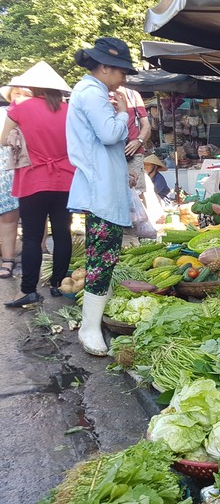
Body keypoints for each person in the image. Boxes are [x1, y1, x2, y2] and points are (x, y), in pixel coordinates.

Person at [66, 37, 138, 356]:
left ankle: (92, 324)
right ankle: (89, 329)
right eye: (121, 71)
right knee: (102, 258)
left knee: (104, 256)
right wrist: (123, 115)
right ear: (105, 67)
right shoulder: (92, 92)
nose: (124, 79)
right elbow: (110, 134)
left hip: (102, 186)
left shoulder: (88, 92)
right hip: (100, 191)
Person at [0, 61, 74, 306]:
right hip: (65, 179)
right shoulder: (69, 110)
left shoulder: (21, 108)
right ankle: (59, 283)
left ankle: (28, 291)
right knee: (62, 233)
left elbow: (3, 140)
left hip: (33, 179)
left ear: (33, 86)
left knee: (32, 237)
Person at [0, 84, 31, 279]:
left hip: (33, 168)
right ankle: (8, 260)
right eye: (16, 93)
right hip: (6, 170)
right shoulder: (3, 113)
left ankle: (41, 251)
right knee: (8, 217)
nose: (19, 96)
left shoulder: (38, 113)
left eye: (24, 93)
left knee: (36, 216)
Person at [121, 87, 151, 194]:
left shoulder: (132, 95)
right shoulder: (100, 96)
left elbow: (146, 124)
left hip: (133, 154)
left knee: (137, 193)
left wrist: (139, 141)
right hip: (110, 155)